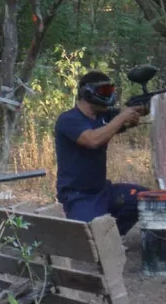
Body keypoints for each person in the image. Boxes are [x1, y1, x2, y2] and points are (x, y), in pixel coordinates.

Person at [54, 70, 150, 236]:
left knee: (144, 198)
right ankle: (101, 240)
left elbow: (135, 114)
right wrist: (122, 118)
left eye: (110, 92)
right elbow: (93, 140)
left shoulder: (104, 116)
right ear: (87, 93)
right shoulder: (68, 119)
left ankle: (113, 238)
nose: (109, 96)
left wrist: (140, 108)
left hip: (103, 191)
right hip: (78, 197)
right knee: (88, 238)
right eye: (105, 92)